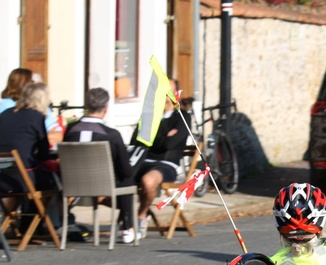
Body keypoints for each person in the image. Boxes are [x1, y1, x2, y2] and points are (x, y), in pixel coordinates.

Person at [63, 88, 139, 244]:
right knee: (128, 177)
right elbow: (125, 169)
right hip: (103, 186)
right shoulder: (111, 134)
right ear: (106, 108)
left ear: (86, 105)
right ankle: (128, 227)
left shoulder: (71, 130)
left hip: (73, 185)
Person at [131, 78, 190, 238]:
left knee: (148, 181)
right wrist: (163, 137)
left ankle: (140, 216)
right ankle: (127, 218)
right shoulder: (149, 116)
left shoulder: (182, 117)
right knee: (112, 182)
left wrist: (152, 139)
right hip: (142, 161)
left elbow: (170, 144)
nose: (164, 96)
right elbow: (135, 140)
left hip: (166, 164)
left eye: (168, 92)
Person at [0, 82, 60, 220]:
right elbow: (44, 153)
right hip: (21, 179)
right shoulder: (36, 117)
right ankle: (40, 224)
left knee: (34, 172)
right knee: (53, 181)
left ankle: (24, 225)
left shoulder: (6, 114)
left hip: (3, 176)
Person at [0, 68, 64, 146]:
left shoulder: (41, 107)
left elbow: (58, 136)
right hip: (25, 155)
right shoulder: (4, 108)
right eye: (32, 82)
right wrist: (39, 137)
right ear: (23, 85)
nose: (36, 86)